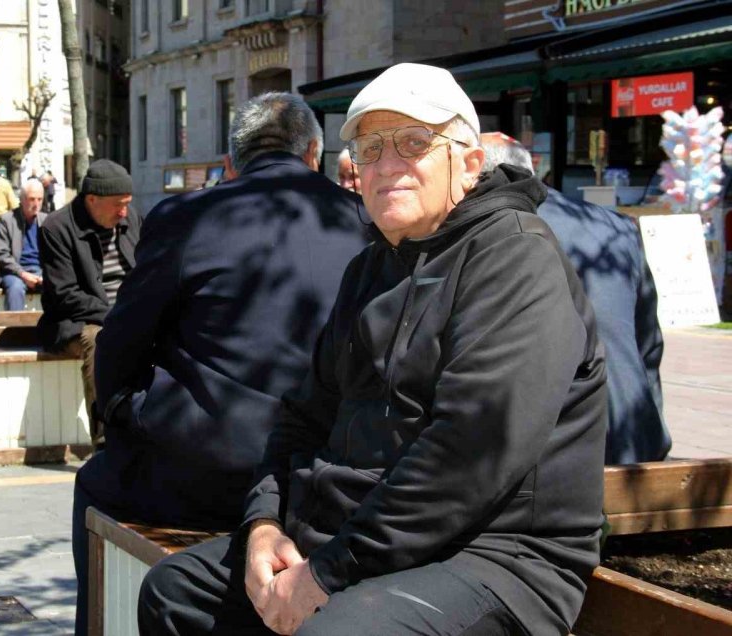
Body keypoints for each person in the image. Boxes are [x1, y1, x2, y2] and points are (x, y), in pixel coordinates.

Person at [139, 64, 608, 636]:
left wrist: (325, 574)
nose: (387, 165)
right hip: (360, 535)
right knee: (177, 592)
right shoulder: (371, 266)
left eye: (413, 143)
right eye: (370, 147)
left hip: (495, 554)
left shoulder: (515, 258)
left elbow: (469, 455)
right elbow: (301, 417)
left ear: (468, 162)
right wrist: (263, 524)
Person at [75, 92, 369, 635]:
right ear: (314, 156)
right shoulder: (363, 219)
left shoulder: (188, 215)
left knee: (94, 483)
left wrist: (129, 412)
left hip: (208, 472)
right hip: (319, 477)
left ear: (231, 163)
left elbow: (121, 345)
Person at [481, 132, 669, 464]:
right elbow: (648, 346)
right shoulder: (615, 226)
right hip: (636, 431)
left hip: (566, 451)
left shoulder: (490, 231)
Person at [38, 158, 139, 436]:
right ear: (92, 200)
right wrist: (117, 316)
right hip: (78, 321)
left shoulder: (130, 219)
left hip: (128, 314)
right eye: (118, 204)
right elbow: (65, 295)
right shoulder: (56, 228)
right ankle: (106, 441)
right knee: (99, 341)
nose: (124, 212)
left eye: (127, 203)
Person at [0, 180, 47, 311]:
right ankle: (14, 330)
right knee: (15, 288)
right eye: (32, 199)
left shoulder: (46, 220)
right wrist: (23, 274)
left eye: (40, 199)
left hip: (39, 271)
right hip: (14, 272)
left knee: (57, 285)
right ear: (22, 200)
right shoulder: (7, 220)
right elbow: (1, 254)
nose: (36, 204)